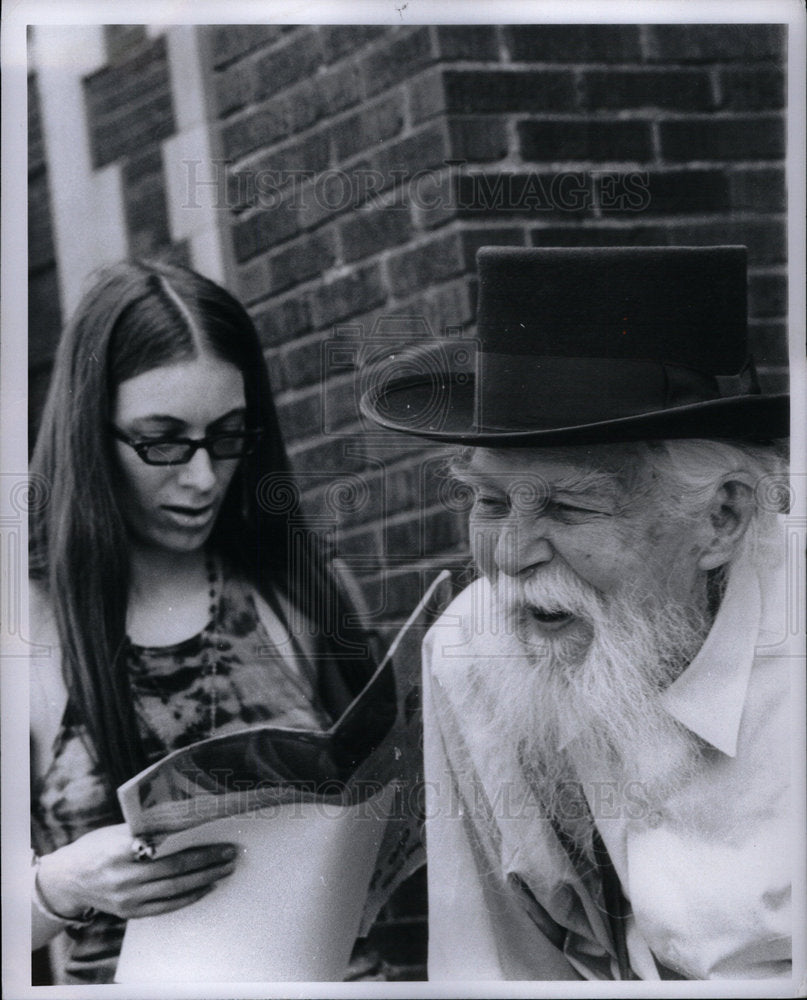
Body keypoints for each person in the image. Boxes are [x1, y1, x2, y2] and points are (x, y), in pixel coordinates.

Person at [360, 246, 793, 980]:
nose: (512, 553)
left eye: (568, 506)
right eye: (489, 502)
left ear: (721, 518)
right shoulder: (474, 654)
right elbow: (497, 971)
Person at [29, 260, 380, 984]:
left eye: (227, 436)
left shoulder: (301, 586)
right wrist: (60, 886)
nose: (200, 478)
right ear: (88, 436)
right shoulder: (26, 625)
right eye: (161, 440)